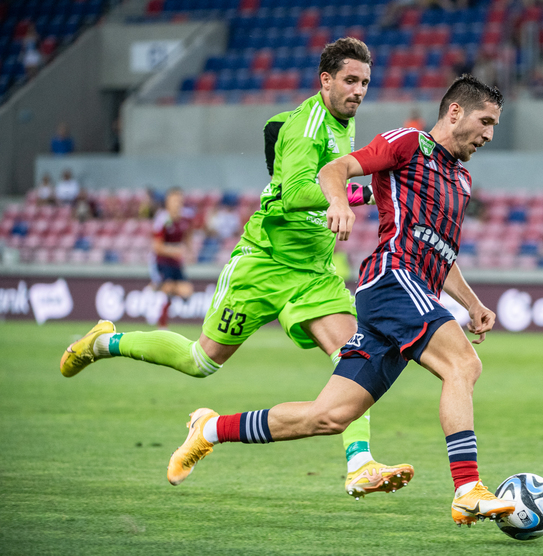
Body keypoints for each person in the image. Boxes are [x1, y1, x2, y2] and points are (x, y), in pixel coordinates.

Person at [59, 38, 412, 500]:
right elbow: (294, 193)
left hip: (313, 273)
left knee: (355, 358)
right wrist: (351, 196)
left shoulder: (342, 122)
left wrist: (355, 194)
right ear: (325, 80)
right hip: (263, 264)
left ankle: (359, 464)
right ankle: (103, 342)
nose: (359, 90)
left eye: (365, 82)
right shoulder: (307, 126)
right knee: (200, 361)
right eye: (350, 80)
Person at [164, 75, 516, 527]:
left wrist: (472, 303)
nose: (490, 134)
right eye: (485, 121)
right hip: (393, 280)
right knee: (463, 365)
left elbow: (440, 253)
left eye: (494, 125)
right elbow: (335, 170)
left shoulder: (461, 179)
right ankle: (467, 489)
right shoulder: (407, 143)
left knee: (328, 416)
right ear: (455, 112)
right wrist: (338, 203)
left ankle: (210, 429)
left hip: (408, 291)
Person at [148, 187, 194, 328]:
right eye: (174, 200)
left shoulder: (186, 218)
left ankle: (155, 288)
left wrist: (190, 251)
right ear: (167, 202)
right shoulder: (162, 219)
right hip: (161, 262)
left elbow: (188, 235)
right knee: (168, 288)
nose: (177, 203)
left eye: (179, 200)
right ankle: (162, 324)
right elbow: (157, 247)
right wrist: (175, 250)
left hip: (176, 263)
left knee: (187, 291)